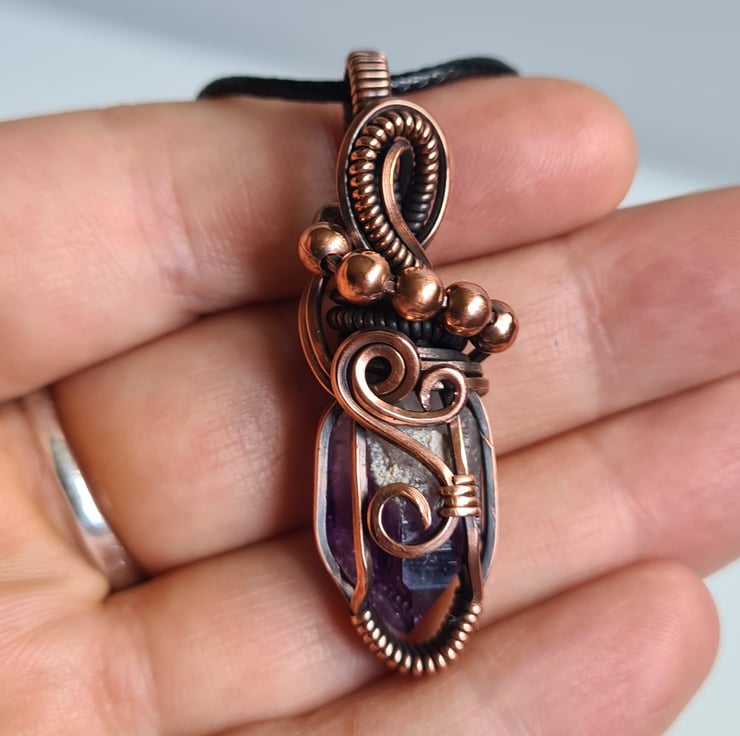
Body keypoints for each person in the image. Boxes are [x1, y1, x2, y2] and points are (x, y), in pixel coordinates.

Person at [0, 73, 735, 736]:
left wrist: (448, 515)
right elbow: (352, 503)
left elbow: (450, 471)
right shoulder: (367, 410)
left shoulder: (439, 405)